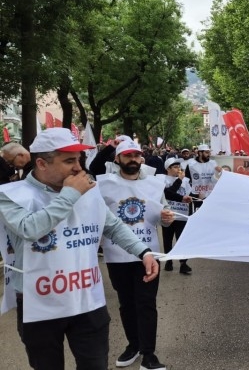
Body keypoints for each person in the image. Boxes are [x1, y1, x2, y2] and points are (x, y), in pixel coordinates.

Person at [0, 127, 159, 369]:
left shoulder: (87, 188)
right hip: (39, 303)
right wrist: (70, 195)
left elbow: (112, 226)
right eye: (69, 161)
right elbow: (29, 228)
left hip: (86, 299)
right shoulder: (12, 194)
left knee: (95, 364)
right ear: (42, 164)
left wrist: (143, 252)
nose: (78, 167)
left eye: (79, 159)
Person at [97, 138, 173, 370]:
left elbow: (164, 216)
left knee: (146, 303)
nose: (133, 160)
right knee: (126, 303)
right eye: (127, 155)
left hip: (148, 254)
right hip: (116, 256)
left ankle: (149, 354)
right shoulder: (104, 186)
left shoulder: (154, 185)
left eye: (136, 155)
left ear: (141, 158)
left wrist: (167, 219)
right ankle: (134, 345)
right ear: (117, 159)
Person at [162, 157, 193, 274]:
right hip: (168, 214)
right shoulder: (162, 179)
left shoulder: (186, 180)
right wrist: (179, 180)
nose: (178, 169)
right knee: (167, 239)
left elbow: (189, 193)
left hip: (182, 215)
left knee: (181, 239)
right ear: (168, 169)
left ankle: (183, 263)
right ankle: (168, 260)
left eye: (179, 167)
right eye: (175, 167)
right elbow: (169, 193)